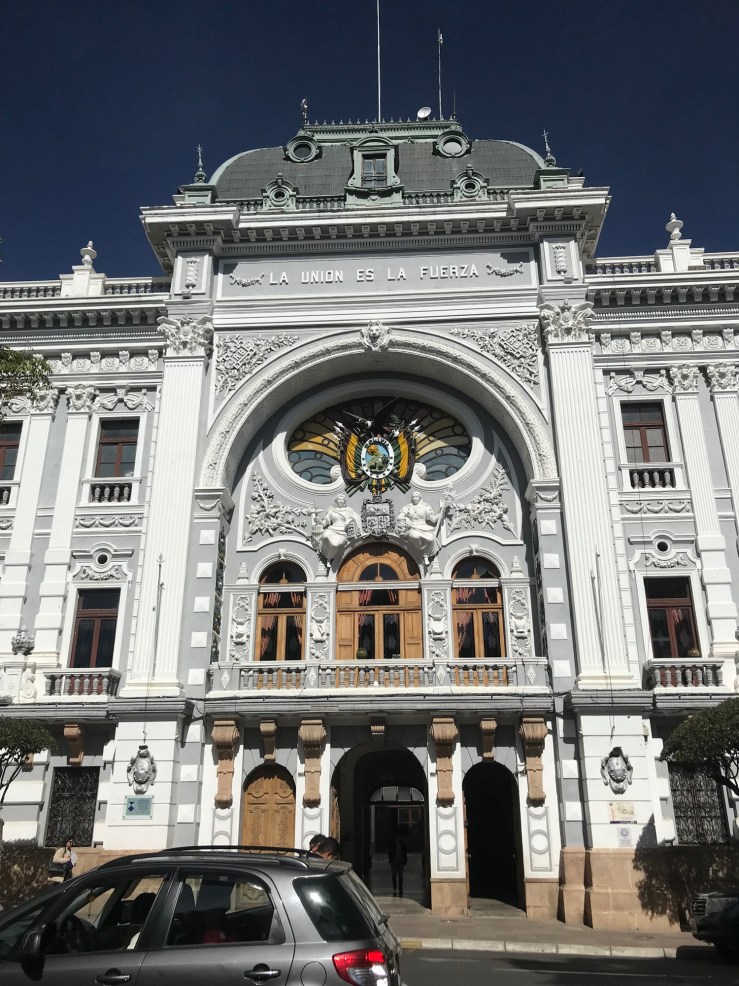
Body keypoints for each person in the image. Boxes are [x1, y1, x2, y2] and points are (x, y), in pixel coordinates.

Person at [397, 491, 441, 559]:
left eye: (416, 497)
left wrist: (441, 511)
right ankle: (420, 553)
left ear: (419, 498)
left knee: (431, 539)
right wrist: (406, 518)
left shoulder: (425, 507)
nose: (414, 498)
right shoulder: (408, 507)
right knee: (415, 536)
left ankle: (425, 554)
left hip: (424, 528)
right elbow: (399, 517)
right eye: (413, 497)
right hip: (413, 527)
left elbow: (433, 519)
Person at [319, 494, 362, 562]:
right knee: (325, 536)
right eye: (339, 499)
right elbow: (325, 522)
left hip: (343, 532)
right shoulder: (331, 510)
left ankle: (330, 558)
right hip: (332, 530)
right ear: (336, 501)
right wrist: (318, 522)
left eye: (342, 499)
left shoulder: (348, 510)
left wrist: (349, 520)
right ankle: (328, 557)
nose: (341, 501)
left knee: (335, 544)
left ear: (344, 501)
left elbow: (356, 517)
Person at [387, 830, 408, 898]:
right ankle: (395, 886)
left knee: (400, 875)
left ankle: (400, 887)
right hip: (394, 861)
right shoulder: (392, 844)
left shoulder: (402, 844)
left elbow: (404, 853)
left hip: (400, 861)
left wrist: (405, 860)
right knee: (394, 874)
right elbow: (390, 852)